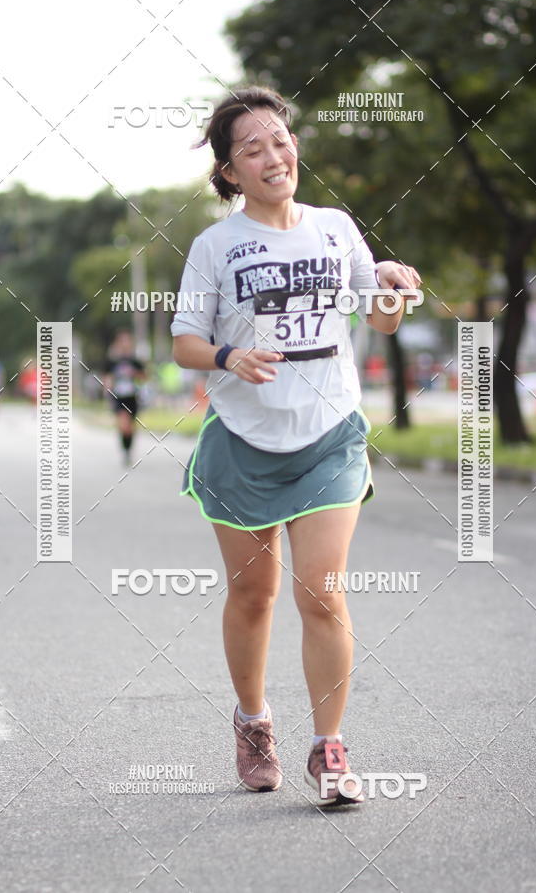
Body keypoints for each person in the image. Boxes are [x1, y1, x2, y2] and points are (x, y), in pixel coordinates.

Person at [170, 86, 422, 806]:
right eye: (252, 148)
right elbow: (186, 341)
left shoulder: (336, 228)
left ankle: (329, 748)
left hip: (329, 437)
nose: (273, 155)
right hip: (244, 442)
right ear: (230, 173)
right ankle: (254, 723)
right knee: (255, 596)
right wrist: (228, 358)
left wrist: (395, 288)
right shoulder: (215, 246)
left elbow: (381, 314)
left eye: (279, 139)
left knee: (322, 591)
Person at [103, 330, 146, 466]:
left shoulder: (135, 361)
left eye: (127, 341)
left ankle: (128, 450)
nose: (125, 344)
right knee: (124, 425)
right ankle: (125, 450)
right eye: (122, 341)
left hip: (132, 397)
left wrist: (135, 374)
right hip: (118, 397)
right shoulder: (113, 361)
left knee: (130, 427)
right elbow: (107, 378)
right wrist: (107, 389)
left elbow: (144, 377)